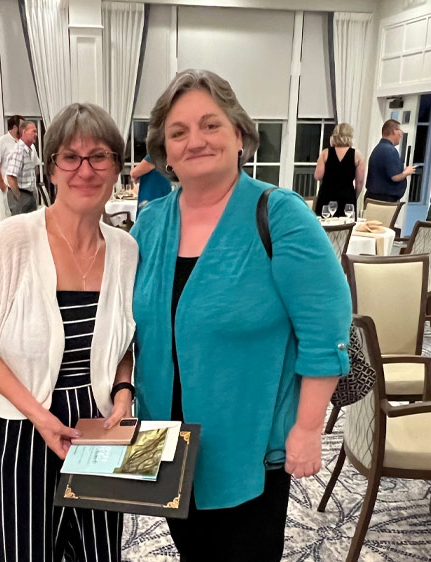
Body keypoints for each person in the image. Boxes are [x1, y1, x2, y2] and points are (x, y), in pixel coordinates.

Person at [130, 69, 351, 562]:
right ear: (163, 152)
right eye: (179, 132)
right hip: (165, 441)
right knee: (193, 552)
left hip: (249, 443)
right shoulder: (150, 225)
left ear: (240, 134)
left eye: (211, 125)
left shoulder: (279, 215)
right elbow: (132, 330)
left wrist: (309, 429)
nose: (196, 141)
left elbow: (325, 331)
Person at [0, 103, 138, 562]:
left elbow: (123, 341)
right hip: (22, 422)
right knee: (27, 549)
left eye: (99, 156)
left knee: (99, 550)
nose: (85, 170)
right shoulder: (14, 238)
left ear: (117, 167)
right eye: (70, 157)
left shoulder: (125, 249)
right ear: (51, 169)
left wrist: (122, 391)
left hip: (98, 423)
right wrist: (38, 415)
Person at [314, 123, 365, 217]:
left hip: (326, 195)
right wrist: (353, 197)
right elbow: (360, 182)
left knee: (325, 227)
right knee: (346, 227)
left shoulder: (326, 153)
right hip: (347, 196)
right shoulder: (357, 155)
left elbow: (318, 176)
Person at [365, 119, 416, 202]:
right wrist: (407, 172)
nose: (401, 135)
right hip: (384, 200)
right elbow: (395, 177)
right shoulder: (390, 151)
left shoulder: (378, 148)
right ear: (394, 131)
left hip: (373, 197)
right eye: (400, 131)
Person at [0, 114, 24, 221]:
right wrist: (2, 185)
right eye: (22, 126)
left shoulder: (22, 143)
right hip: (8, 188)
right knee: (8, 220)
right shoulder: (2, 142)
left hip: (22, 189)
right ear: (14, 127)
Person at [6, 120, 41, 215]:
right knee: (19, 227)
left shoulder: (30, 150)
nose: (36, 134)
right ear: (24, 132)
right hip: (21, 194)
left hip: (29, 194)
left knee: (30, 226)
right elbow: (10, 177)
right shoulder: (18, 151)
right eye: (33, 131)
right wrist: (19, 197)